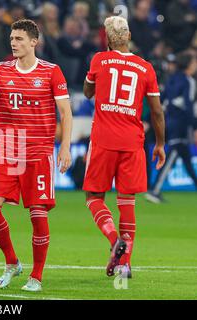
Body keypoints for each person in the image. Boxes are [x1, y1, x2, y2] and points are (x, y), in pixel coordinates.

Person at [0, 19, 73, 292]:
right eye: (12, 38)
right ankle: (12, 262)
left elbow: (66, 113)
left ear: (34, 42)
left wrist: (65, 147)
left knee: (37, 215)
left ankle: (36, 276)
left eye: (20, 38)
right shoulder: (0, 69)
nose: (14, 42)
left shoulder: (51, 72)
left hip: (39, 153)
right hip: (10, 151)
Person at [82, 16, 166, 279]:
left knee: (94, 197)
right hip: (132, 141)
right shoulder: (145, 67)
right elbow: (157, 112)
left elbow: (87, 92)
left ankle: (113, 238)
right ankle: (124, 263)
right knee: (126, 201)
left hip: (104, 139)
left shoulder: (99, 59)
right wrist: (160, 144)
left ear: (107, 39)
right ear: (128, 36)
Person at [145, 51, 197, 203]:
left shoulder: (172, 79)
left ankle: (155, 189)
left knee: (185, 158)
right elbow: (188, 106)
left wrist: (149, 119)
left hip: (169, 121)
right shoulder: (188, 81)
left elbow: (161, 101)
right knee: (174, 154)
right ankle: (155, 190)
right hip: (181, 123)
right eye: (194, 62)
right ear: (188, 65)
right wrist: (194, 127)